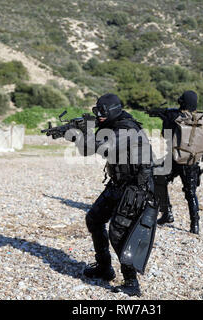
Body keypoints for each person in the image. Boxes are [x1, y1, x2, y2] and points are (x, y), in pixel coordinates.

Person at [67, 93, 157, 297]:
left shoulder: (127, 128)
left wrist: (85, 133)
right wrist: (76, 134)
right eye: (96, 111)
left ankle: (131, 282)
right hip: (119, 183)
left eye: (102, 112)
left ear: (113, 111)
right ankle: (104, 267)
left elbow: (104, 147)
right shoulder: (111, 126)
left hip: (136, 188)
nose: (98, 115)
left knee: (118, 232)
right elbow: (87, 150)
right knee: (94, 219)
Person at [153, 90, 203, 234]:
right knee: (191, 193)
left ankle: (167, 213)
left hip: (175, 159)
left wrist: (166, 120)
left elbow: (166, 135)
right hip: (192, 160)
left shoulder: (175, 116)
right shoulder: (201, 118)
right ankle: (195, 225)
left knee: (159, 179)